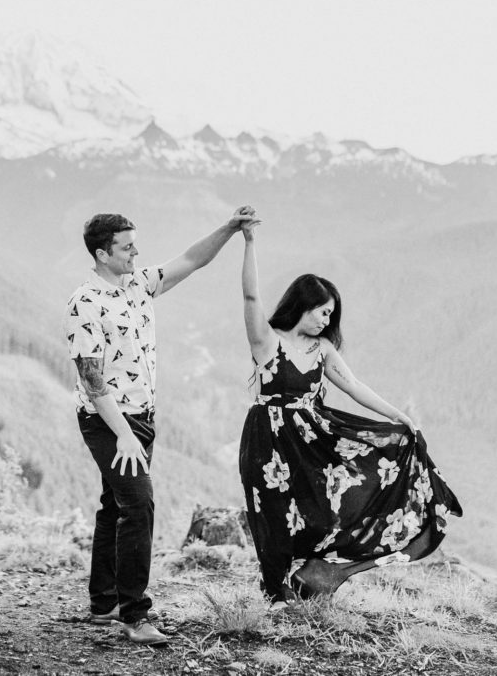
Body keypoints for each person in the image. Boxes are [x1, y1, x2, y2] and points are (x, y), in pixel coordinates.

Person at [237, 216, 462, 607]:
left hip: (311, 441)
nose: (328, 321)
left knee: (324, 511)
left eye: (330, 315)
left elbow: (355, 387)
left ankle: (310, 574)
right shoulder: (265, 342)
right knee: (272, 516)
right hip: (266, 440)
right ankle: (276, 592)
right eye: (323, 312)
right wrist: (249, 241)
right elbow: (251, 298)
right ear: (302, 306)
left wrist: (399, 418)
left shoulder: (321, 349)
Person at [64, 207, 257, 645]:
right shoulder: (84, 303)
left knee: (115, 505)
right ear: (101, 253)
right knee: (139, 505)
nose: (136, 252)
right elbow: (92, 382)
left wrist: (229, 228)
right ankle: (135, 615)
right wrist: (125, 435)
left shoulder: (138, 284)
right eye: (127, 247)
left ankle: (104, 602)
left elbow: (192, 259)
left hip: (142, 417)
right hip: (108, 421)